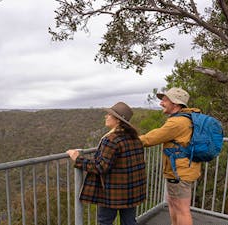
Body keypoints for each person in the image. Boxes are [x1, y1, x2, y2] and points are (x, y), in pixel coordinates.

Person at [66, 102, 146, 225]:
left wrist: (78, 159)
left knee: (105, 222)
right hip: (131, 190)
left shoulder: (112, 139)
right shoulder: (135, 138)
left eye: (109, 114)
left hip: (113, 192)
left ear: (118, 120)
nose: (106, 116)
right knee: (129, 221)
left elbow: (100, 166)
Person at [139, 87, 201, 225]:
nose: (161, 103)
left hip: (180, 171)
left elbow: (152, 138)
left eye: (165, 100)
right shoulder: (186, 118)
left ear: (175, 103)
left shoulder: (177, 122)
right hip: (182, 169)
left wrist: (131, 140)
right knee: (174, 204)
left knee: (182, 209)